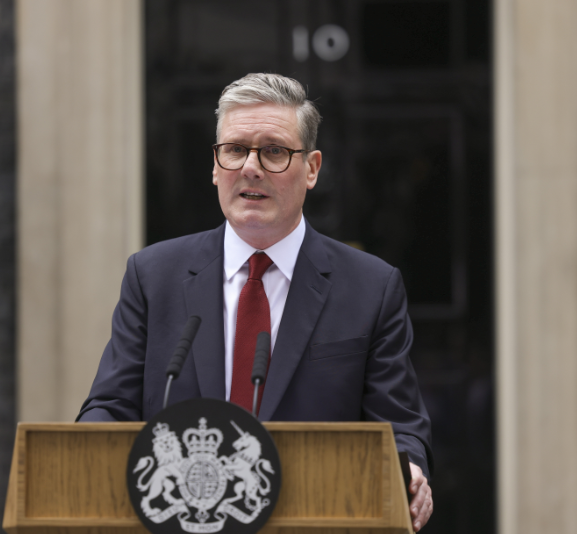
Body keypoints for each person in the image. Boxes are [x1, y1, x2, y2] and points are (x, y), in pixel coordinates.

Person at [77, 73, 434, 530]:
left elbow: (399, 424)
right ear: (215, 165)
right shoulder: (153, 275)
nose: (251, 167)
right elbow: (109, 405)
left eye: (274, 152)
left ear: (312, 168)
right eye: (235, 149)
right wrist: (90, 453)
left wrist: (412, 471)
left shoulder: (371, 287)